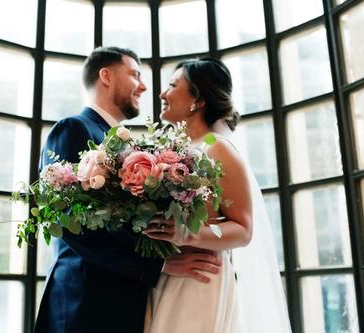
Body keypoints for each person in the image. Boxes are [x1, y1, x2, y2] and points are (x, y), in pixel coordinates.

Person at [34, 47, 223, 333]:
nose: (144, 86)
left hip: (130, 304)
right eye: (135, 74)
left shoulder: (131, 148)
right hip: (83, 305)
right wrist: (159, 266)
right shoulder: (73, 129)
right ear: (106, 76)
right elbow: (68, 221)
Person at [143, 58, 291, 332]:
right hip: (169, 275)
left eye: (173, 85)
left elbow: (243, 230)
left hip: (199, 279)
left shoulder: (217, 149)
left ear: (197, 100)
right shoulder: (173, 151)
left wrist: (188, 235)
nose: (163, 94)